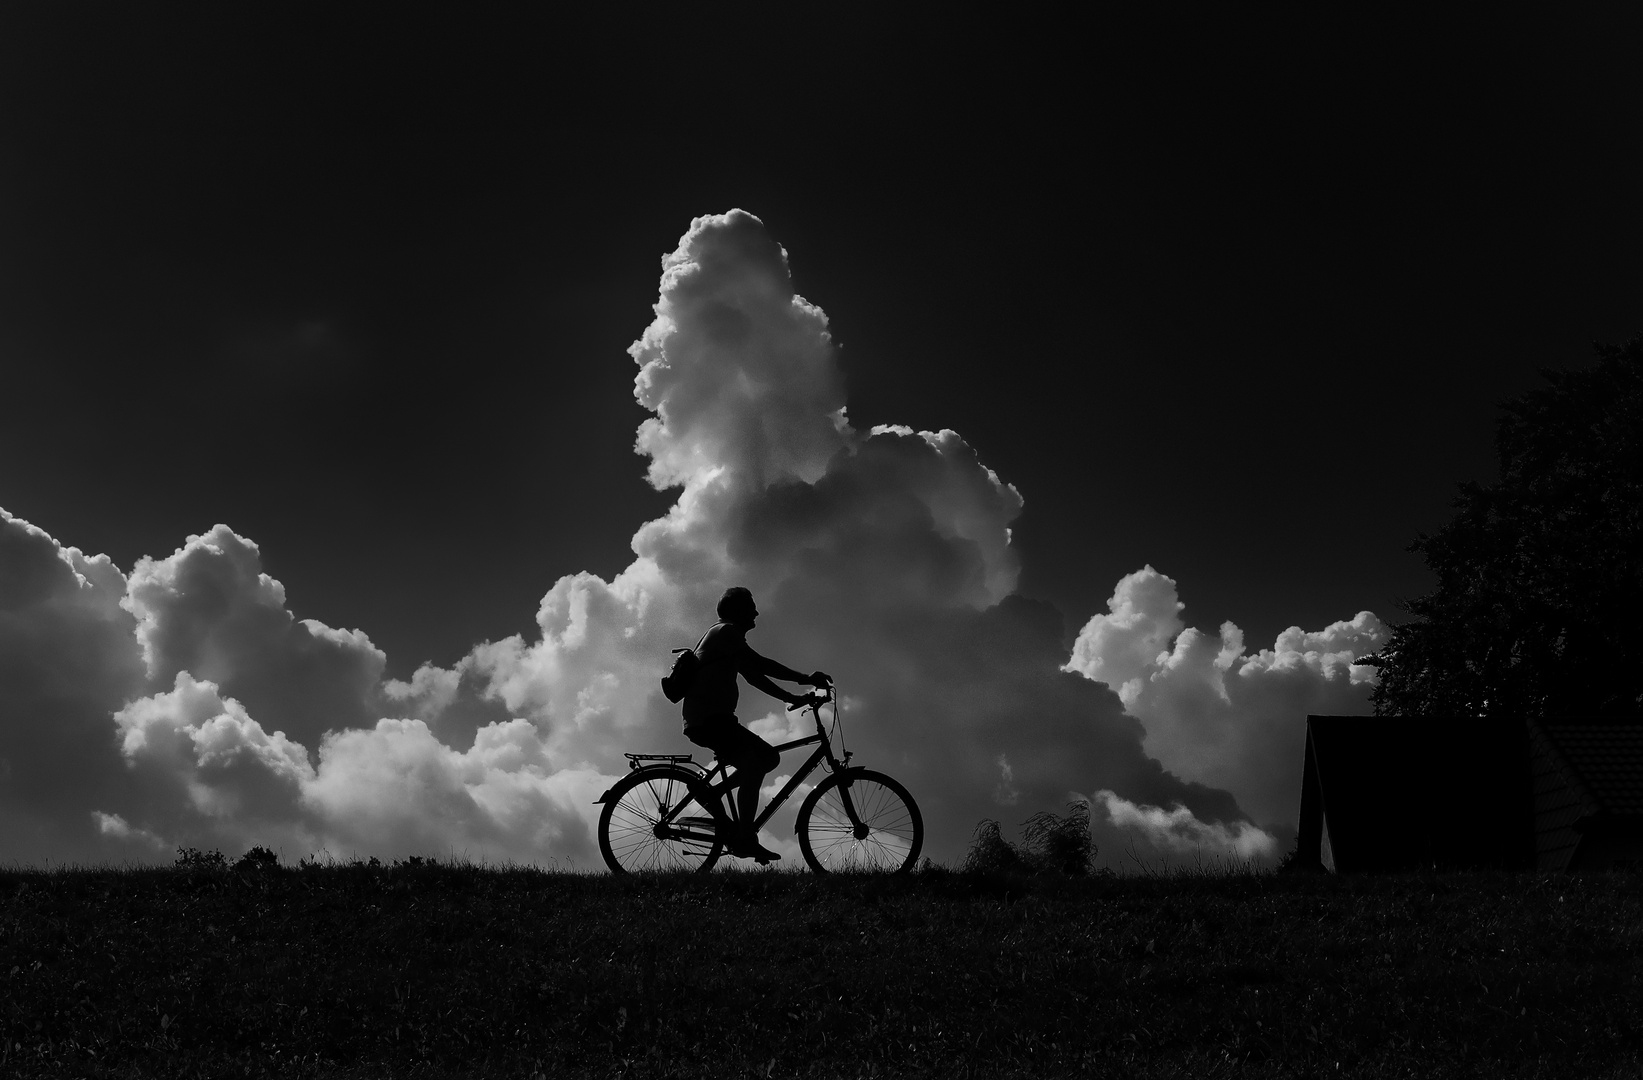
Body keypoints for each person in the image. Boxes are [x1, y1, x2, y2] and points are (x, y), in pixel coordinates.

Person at [682, 586, 831, 863]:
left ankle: (712, 795)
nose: (757, 612)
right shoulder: (727, 632)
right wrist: (806, 678)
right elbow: (760, 664)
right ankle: (744, 836)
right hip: (711, 719)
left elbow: (753, 676)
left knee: (767, 757)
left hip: (711, 718)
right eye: (751, 607)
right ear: (737, 610)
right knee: (755, 762)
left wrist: (790, 697)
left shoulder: (725, 636)